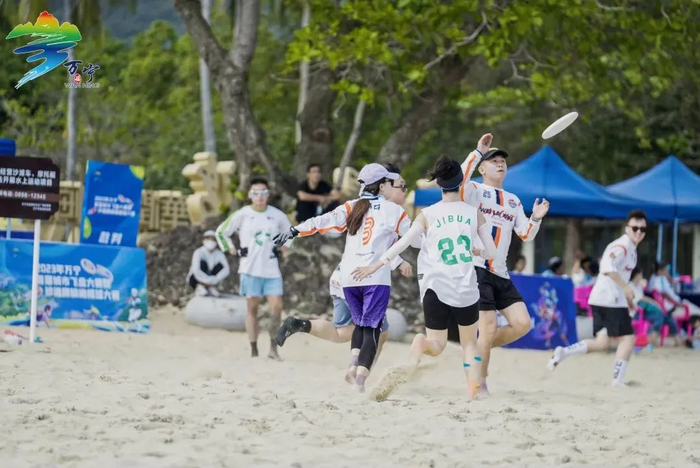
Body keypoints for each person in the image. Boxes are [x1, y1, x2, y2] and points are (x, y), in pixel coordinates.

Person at [352, 157, 498, 401]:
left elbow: (402, 243)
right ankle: (474, 391)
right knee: (470, 344)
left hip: (434, 286)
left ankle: (420, 344)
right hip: (466, 288)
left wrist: (376, 264)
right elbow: (491, 253)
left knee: (436, 344)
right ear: (462, 182)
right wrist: (477, 251)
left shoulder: (427, 214)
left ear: (438, 184)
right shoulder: (474, 214)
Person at [273, 163, 411, 392]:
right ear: (384, 186)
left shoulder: (353, 206)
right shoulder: (391, 211)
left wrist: (294, 230)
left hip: (344, 278)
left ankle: (303, 326)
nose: (404, 191)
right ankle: (360, 375)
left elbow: (323, 222)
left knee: (344, 332)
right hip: (368, 278)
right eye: (401, 186)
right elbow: (385, 246)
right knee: (375, 331)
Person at [459, 133, 550, 395]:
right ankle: (480, 381)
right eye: (494, 161)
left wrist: (536, 218)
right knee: (488, 328)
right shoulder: (473, 190)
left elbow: (526, 234)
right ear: (482, 169)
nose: (500, 164)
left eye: (502, 162)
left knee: (523, 324)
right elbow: (459, 179)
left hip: (501, 273)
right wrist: (478, 152)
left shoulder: (513, 200)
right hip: (478, 267)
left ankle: (475, 351)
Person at [547, 210, 648, 387]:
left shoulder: (631, 248)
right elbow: (607, 267)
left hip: (603, 298)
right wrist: (625, 289)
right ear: (627, 228)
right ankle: (617, 380)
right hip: (610, 299)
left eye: (642, 229)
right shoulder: (622, 246)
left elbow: (618, 275)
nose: (638, 232)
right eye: (635, 228)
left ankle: (564, 352)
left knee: (602, 343)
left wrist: (627, 297)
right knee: (628, 339)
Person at [216, 177, 292, 360]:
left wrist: (283, 248)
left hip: (271, 269)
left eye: (263, 193)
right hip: (249, 269)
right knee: (252, 309)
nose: (260, 197)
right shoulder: (242, 214)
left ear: (268, 194)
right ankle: (254, 349)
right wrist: (233, 250)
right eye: (256, 193)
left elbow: (291, 233)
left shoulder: (277, 215)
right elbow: (221, 232)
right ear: (250, 195)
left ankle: (273, 349)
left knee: (277, 307)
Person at [628, 267, 677, 346]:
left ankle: (654, 336)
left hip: (645, 312)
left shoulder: (638, 286)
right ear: (637, 275)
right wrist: (655, 303)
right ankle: (653, 337)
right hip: (636, 313)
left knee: (663, 316)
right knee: (661, 315)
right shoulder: (630, 286)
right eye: (641, 274)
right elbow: (641, 298)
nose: (642, 276)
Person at [187, 230, 231, 297]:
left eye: (213, 239)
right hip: (197, 278)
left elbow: (226, 269)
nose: (210, 241)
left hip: (212, 278)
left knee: (220, 266)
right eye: (208, 239)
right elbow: (196, 270)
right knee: (202, 263)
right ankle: (200, 287)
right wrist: (208, 280)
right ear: (203, 240)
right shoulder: (198, 252)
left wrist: (215, 280)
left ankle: (209, 287)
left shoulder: (219, 254)